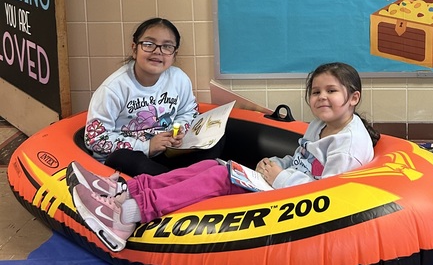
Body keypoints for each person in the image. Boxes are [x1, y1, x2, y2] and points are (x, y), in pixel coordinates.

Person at [69, 61, 379, 251]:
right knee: (211, 164)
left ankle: (130, 215)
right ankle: (129, 191)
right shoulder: (321, 125)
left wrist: (279, 177)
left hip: (298, 204)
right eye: (316, 92)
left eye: (331, 91)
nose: (322, 97)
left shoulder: (347, 145)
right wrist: (276, 166)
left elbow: (330, 196)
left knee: (219, 176)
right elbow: (300, 158)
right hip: (282, 184)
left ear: (353, 97)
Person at [83, 17, 215, 177]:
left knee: (215, 141)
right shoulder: (113, 88)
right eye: (149, 44)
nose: (158, 51)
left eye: (167, 46)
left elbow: (189, 112)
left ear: (174, 55)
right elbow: (95, 139)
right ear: (134, 49)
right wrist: (147, 146)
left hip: (167, 154)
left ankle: (176, 181)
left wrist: (178, 131)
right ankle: (181, 182)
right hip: (131, 159)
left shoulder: (179, 79)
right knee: (123, 159)